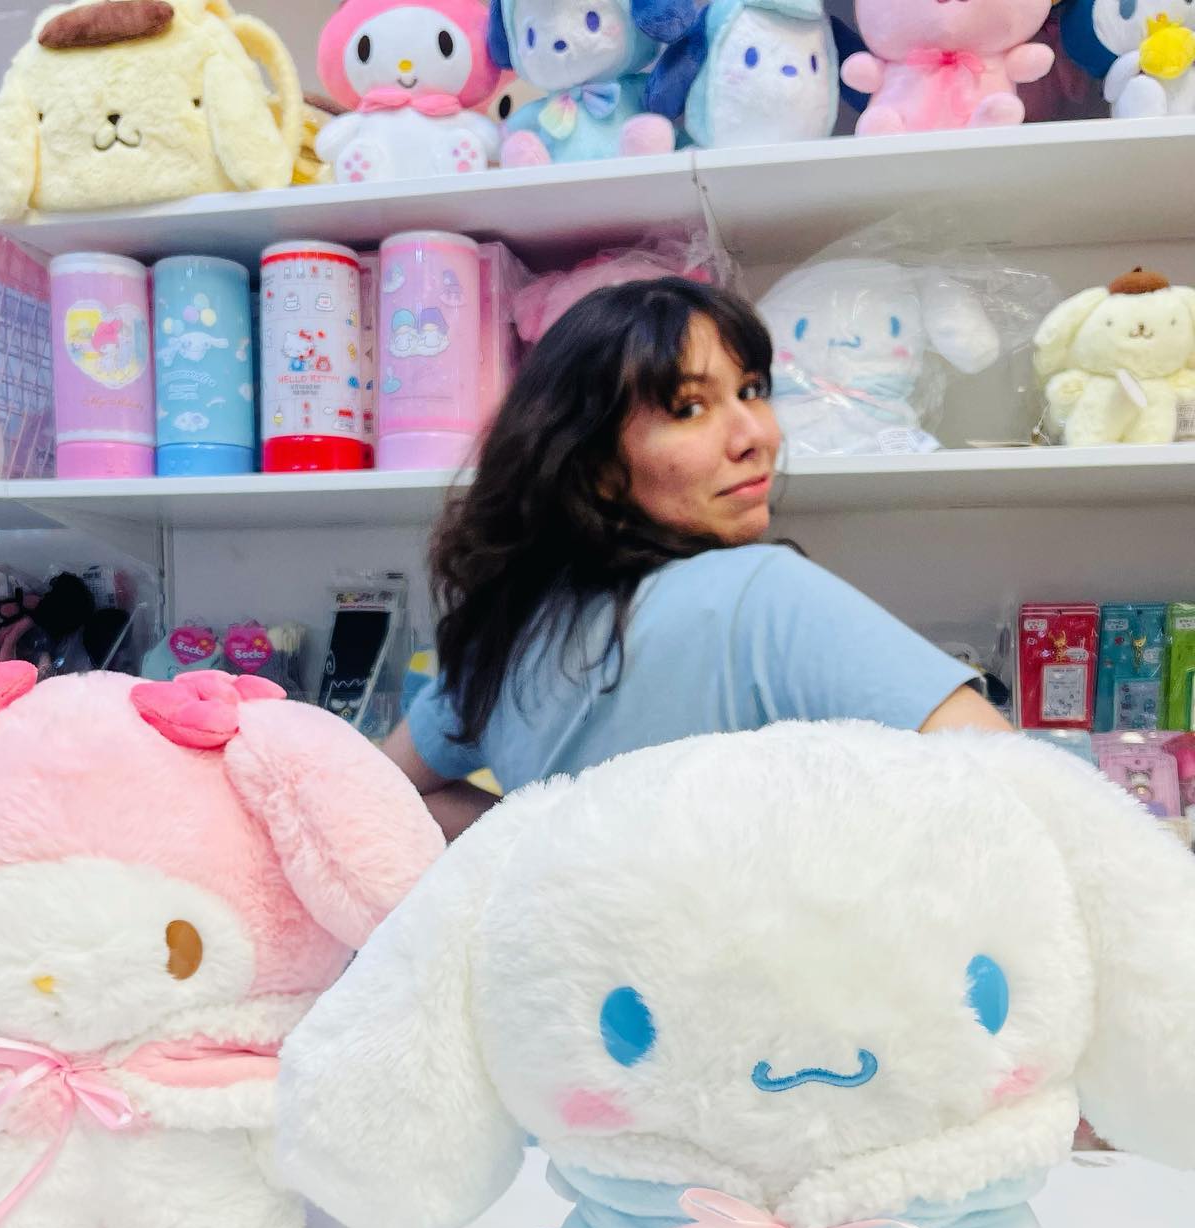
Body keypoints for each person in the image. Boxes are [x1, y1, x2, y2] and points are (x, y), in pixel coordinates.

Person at [383, 276, 1008, 841]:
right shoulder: (762, 597)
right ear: (596, 466)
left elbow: (384, 793)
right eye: (689, 408)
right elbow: (1012, 786)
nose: (756, 435)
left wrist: (531, 842)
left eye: (751, 391)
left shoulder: (506, 638)